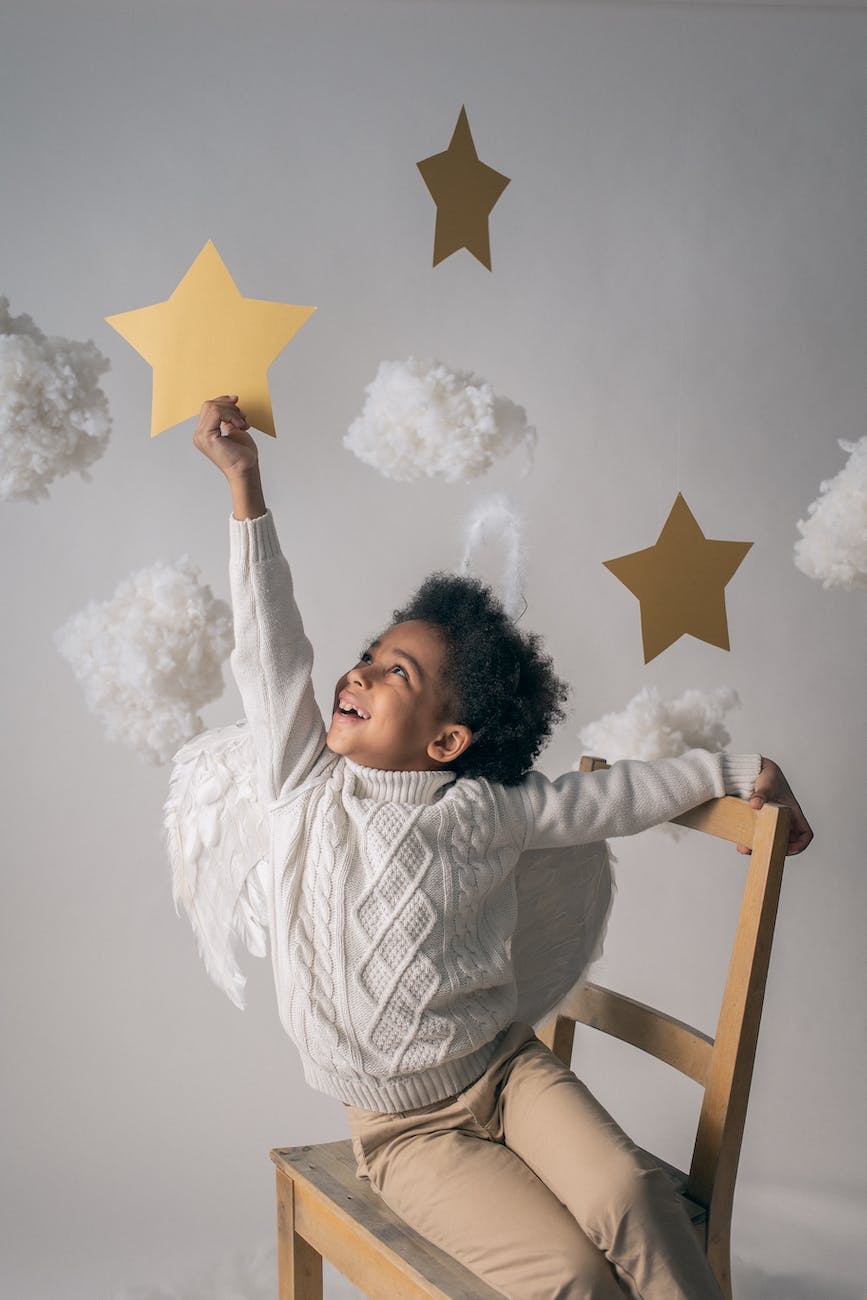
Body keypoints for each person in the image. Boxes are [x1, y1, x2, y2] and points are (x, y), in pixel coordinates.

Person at [193, 395, 813, 1300]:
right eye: (367, 657)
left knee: (634, 1194)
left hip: (509, 1071)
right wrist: (246, 487)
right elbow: (270, 650)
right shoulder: (303, 787)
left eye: (393, 673)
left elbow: (613, 797)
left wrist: (735, 767)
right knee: (568, 1276)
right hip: (405, 1133)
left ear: (447, 742)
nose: (357, 674)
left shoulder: (487, 810)